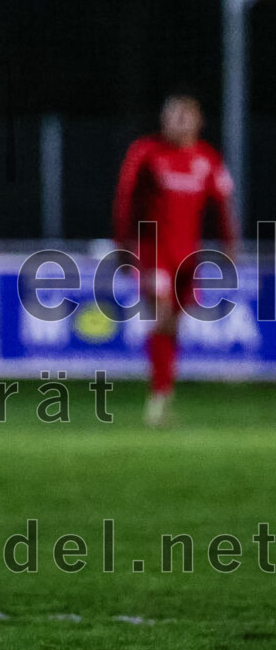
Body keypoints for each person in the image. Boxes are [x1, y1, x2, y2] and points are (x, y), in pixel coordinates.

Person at [113, 91, 237, 427]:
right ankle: (157, 401)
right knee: (164, 315)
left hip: (188, 257)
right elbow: (125, 200)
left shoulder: (207, 159)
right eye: (173, 116)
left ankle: (163, 394)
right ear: (163, 119)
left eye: (186, 116)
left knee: (174, 324)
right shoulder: (146, 153)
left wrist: (230, 244)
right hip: (154, 253)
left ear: (199, 121)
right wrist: (123, 245)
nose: (179, 123)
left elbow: (223, 205)